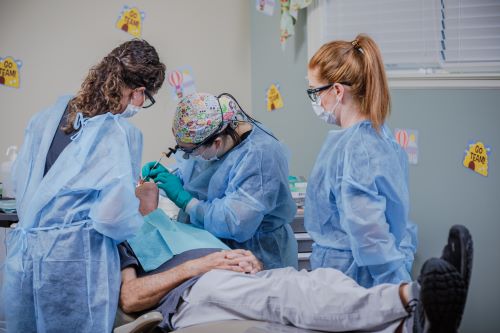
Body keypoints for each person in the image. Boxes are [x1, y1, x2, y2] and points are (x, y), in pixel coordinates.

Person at [119, 182, 473, 333]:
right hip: (192, 293)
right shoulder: (122, 236)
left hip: (230, 277)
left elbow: (152, 197)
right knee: (287, 298)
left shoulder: (179, 222)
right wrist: (202, 264)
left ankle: (408, 326)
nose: (141, 186)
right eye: (132, 187)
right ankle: (412, 296)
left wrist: (243, 258)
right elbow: (131, 297)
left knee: (318, 282)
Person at [2, 39, 166, 332]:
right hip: (75, 263)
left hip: (26, 258)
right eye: (147, 98)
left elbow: (19, 179)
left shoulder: (45, 118)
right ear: (139, 91)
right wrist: (139, 202)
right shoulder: (117, 133)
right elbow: (112, 219)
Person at [304, 34, 418, 287]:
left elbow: (369, 233)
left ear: (336, 90)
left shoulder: (357, 149)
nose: (315, 101)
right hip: (349, 274)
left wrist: (397, 288)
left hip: (350, 280)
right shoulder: (378, 137)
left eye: (315, 91)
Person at [142, 92, 298, 270]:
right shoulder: (217, 141)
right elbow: (201, 179)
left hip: (258, 257)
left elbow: (235, 222)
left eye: (190, 151)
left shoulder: (260, 156)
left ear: (216, 143)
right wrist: (170, 177)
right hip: (216, 252)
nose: (187, 157)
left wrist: (186, 201)